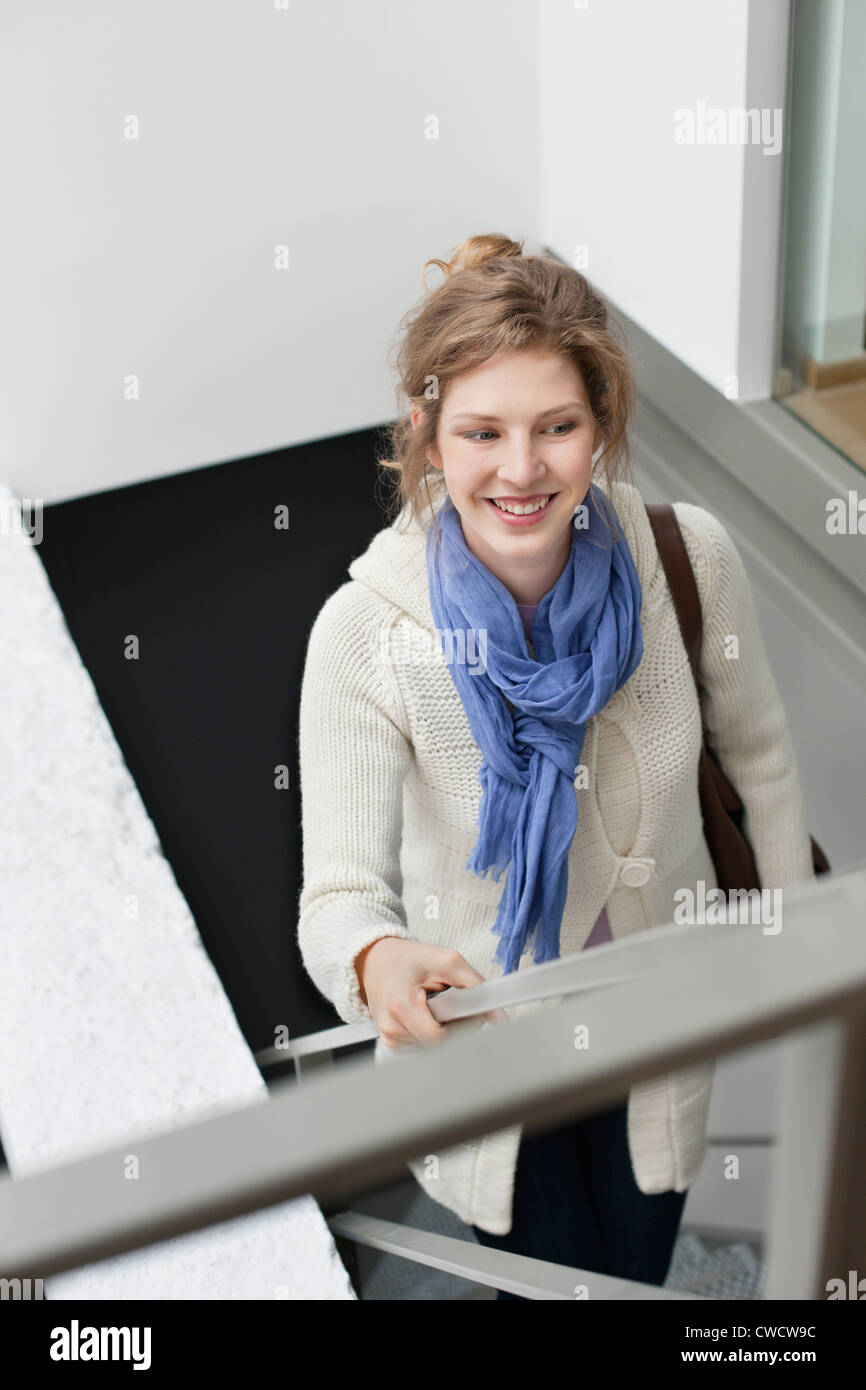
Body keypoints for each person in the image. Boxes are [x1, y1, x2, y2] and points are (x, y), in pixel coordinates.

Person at [296, 234, 816, 1298]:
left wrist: (791, 956)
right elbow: (336, 896)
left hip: (659, 1028)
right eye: (481, 431)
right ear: (427, 437)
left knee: (636, 1269)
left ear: (601, 427)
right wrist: (376, 961)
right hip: (493, 1049)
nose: (521, 469)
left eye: (556, 427)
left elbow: (758, 761)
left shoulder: (685, 559)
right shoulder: (362, 631)